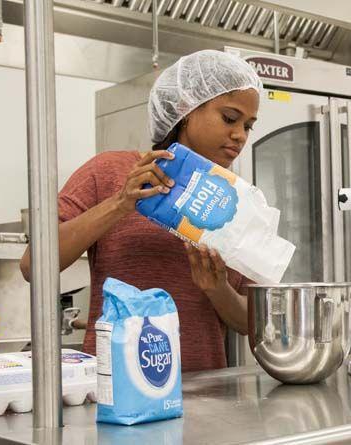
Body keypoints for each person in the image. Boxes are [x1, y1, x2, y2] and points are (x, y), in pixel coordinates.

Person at [19, 50, 263, 372]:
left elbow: (247, 322)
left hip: (203, 392)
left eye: (248, 126)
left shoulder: (234, 204)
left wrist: (217, 289)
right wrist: (120, 204)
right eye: (230, 119)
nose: (240, 135)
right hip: (113, 388)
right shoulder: (108, 172)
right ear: (184, 109)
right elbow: (32, 264)